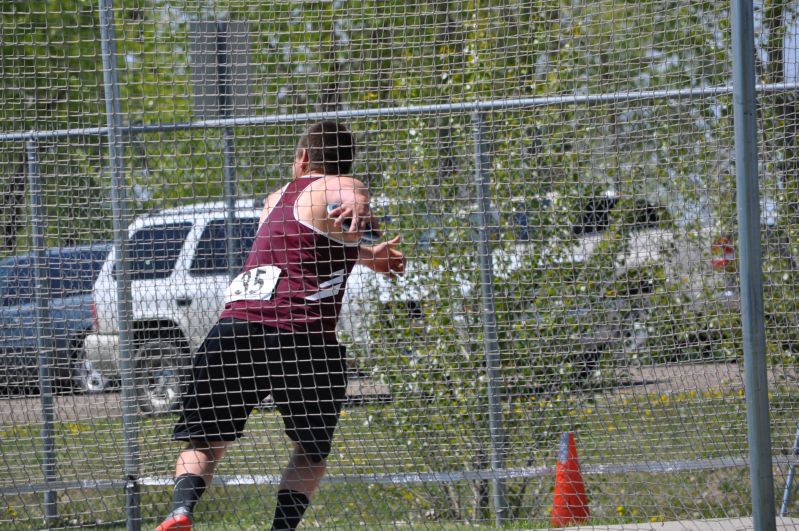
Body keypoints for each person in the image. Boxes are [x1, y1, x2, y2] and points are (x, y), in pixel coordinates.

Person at [156, 120, 406, 531]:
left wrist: (364, 253)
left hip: (235, 329)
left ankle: (181, 511)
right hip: (304, 338)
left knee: (205, 440)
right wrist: (359, 204)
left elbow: (305, 240)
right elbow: (346, 193)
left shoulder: (274, 199)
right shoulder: (337, 186)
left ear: (303, 157)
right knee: (310, 452)